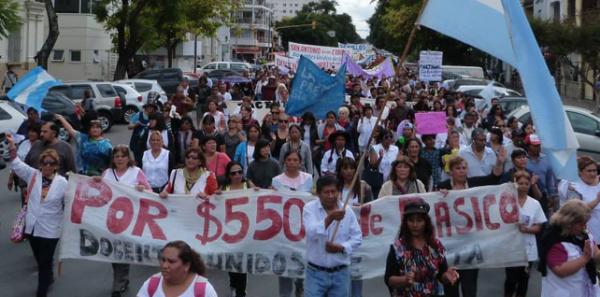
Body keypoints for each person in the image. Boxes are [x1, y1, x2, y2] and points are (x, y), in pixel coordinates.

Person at [6, 135, 67, 297]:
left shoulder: (63, 183)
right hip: (32, 227)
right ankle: (48, 277)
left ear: (56, 166)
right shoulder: (33, 175)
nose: (47, 166)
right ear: (40, 164)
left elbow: (75, 199)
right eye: (44, 163)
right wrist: (12, 145)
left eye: (51, 163)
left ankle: (42, 291)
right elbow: (16, 163)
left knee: (45, 262)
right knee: (40, 260)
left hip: (51, 229)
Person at [438, 154, 506, 297]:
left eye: (464, 168)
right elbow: (434, 210)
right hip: (450, 246)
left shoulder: (474, 184)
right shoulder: (442, 186)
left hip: (471, 244)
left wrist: (499, 162)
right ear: (451, 171)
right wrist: (439, 196)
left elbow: (493, 178)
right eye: (458, 168)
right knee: (451, 286)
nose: (462, 171)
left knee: (469, 288)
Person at [96, 145, 151, 297]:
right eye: (117, 156)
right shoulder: (107, 173)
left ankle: (118, 283)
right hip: (110, 218)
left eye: (123, 156)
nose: (120, 159)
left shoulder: (136, 172)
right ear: (113, 159)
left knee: (123, 249)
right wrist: (96, 182)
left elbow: (150, 192)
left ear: (128, 158)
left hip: (129, 218)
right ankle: (121, 279)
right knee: (113, 250)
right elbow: (101, 193)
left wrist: (142, 189)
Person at [303, 175, 362, 297]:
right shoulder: (309, 209)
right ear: (318, 193)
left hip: (340, 273)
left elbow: (357, 238)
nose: (330, 196)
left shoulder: (347, 211)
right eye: (326, 192)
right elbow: (311, 232)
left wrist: (341, 248)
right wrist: (330, 218)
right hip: (315, 273)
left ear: (339, 192)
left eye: (333, 191)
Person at [384, 200, 459, 297]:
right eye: (411, 220)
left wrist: (447, 276)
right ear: (406, 222)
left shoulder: (435, 246)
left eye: (419, 220)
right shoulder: (398, 248)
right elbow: (389, 279)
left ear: (426, 222)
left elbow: (441, 275)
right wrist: (404, 280)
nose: (415, 225)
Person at [538, 200, 600, 297]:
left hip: (585, 290)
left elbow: (595, 253)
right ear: (569, 222)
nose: (585, 226)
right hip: (564, 292)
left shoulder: (583, 234)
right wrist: (584, 259)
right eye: (582, 223)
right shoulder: (554, 239)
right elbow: (560, 270)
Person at [504, 171, 547, 297]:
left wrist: (527, 229)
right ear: (515, 184)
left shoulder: (535, 204)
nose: (523, 186)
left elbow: (539, 226)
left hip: (527, 248)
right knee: (511, 280)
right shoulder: (507, 202)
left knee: (524, 280)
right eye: (520, 183)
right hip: (510, 248)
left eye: (526, 183)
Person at [137, 240, 218, 297]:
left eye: (171, 262)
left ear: (186, 265)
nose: (164, 265)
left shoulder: (205, 290)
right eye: (163, 260)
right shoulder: (151, 284)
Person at [9, 123, 41, 205]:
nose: (30, 133)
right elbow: (16, 161)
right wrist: (11, 178)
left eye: (33, 131)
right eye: (29, 131)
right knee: (25, 205)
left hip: (38, 181)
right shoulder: (24, 144)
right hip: (24, 179)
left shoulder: (42, 146)